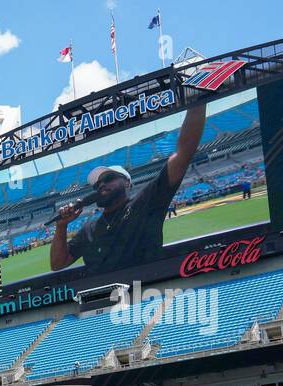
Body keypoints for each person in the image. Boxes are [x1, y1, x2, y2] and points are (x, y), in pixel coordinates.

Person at [50, 104, 206, 275]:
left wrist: (197, 102)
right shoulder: (88, 229)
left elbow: (183, 155)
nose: (101, 185)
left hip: (147, 292)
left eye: (108, 179)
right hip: (104, 298)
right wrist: (61, 227)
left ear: (126, 183)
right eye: (96, 185)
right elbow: (58, 264)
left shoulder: (145, 202)